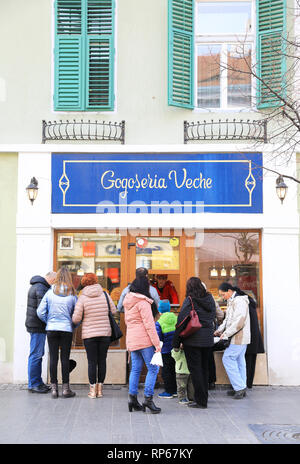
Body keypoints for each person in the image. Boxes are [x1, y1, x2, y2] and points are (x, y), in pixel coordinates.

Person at [72, 273, 117, 399]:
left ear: (84, 283)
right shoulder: (105, 294)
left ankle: (92, 391)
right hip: (105, 333)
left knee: (92, 362)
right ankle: (100, 390)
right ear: (96, 281)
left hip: (89, 335)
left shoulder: (82, 297)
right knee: (102, 361)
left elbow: (76, 318)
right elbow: (113, 311)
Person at [173, 277, 216, 409]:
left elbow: (181, 322)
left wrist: (176, 342)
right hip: (208, 340)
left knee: (196, 371)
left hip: (193, 340)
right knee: (204, 369)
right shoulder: (210, 299)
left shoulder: (190, 300)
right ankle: (204, 399)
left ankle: (201, 401)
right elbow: (214, 316)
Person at [37, 267, 77, 399]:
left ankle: (54, 389)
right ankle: (66, 389)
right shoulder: (72, 294)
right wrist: (73, 325)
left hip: (52, 329)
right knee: (65, 358)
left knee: (53, 357)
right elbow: (77, 315)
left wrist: (49, 321)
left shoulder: (50, 292)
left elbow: (40, 311)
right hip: (66, 329)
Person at [123, 276, 161, 414]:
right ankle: (148, 399)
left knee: (135, 370)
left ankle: (132, 399)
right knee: (153, 369)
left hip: (132, 339)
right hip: (144, 340)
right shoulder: (143, 303)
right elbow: (150, 325)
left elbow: (129, 323)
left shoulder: (128, 301)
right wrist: (157, 344)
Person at [215, 282, 251, 399]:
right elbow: (228, 320)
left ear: (229, 291)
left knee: (228, 358)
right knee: (240, 361)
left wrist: (225, 334)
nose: (222, 297)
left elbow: (239, 322)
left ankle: (239, 387)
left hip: (238, 337)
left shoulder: (239, 301)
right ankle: (241, 387)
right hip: (239, 337)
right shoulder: (233, 300)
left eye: (223, 294)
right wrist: (220, 330)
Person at [25, 271, 57, 393]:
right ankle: (34, 384)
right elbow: (42, 310)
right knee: (36, 355)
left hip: (35, 325)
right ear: (51, 279)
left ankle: (37, 382)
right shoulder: (41, 288)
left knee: (37, 354)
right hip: (37, 326)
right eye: (55, 280)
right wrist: (49, 321)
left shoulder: (38, 286)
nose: (55, 283)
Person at [232, 287, 264, 388]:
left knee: (244, 362)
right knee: (250, 361)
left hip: (247, 336)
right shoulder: (250, 302)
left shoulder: (243, 304)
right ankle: (248, 383)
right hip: (254, 336)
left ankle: (243, 384)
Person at [155, 299, 178, 398]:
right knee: (175, 370)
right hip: (176, 350)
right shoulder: (176, 318)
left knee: (166, 371)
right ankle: (176, 390)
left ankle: (169, 391)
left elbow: (158, 338)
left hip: (165, 351)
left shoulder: (159, 322)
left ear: (160, 310)